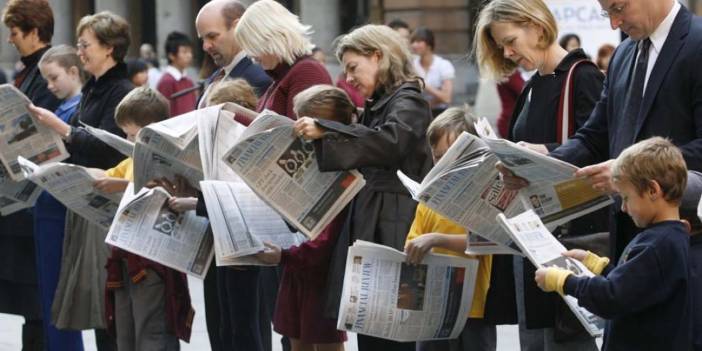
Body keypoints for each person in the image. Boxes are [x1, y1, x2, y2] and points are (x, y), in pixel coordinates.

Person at [502, 0, 702, 263]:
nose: (614, 23)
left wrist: (628, 171)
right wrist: (542, 160)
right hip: (627, 235)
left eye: (618, 8)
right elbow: (594, 136)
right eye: (607, 13)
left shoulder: (697, 44)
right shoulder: (623, 54)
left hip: (685, 240)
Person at [293, 24, 433, 351]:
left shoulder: (409, 100)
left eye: (353, 67)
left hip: (394, 222)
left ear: (378, 56)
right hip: (376, 217)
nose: (349, 78)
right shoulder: (385, 101)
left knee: (390, 330)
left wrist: (326, 129)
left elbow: (389, 142)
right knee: (371, 329)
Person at [475, 0, 606, 348]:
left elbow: (599, 149)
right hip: (533, 235)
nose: (507, 51)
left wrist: (542, 152)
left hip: (569, 239)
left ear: (535, 25)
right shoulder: (534, 85)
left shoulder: (583, 76)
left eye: (510, 40)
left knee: (565, 340)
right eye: (501, 45)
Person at [30, 11, 134, 351]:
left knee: (109, 306)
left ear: (108, 48)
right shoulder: (94, 87)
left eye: (86, 44)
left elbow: (109, 148)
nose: (81, 50)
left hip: (108, 206)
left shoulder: (120, 89)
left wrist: (62, 129)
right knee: (94, 304)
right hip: (86, 205)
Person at [235, 2, 333, 350]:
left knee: (307, 327)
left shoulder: (306, 74)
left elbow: (305, 143)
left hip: (301, 213)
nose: (253, 58)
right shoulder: (281, 79)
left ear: (272, 38)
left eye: (255, 47)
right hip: (282, 211)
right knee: (289, 324)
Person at [535, 137, 692, 350]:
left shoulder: (656, 245)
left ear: (653, 190)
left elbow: (612, 298)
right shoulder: (667, 238)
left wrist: (563, 281)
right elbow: (634, 287)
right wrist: (598, 266)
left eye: (626, 198)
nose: (624, 208)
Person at [92, 87, 194, 351]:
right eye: (125, 134)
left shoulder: (170, 159)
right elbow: (105, 176)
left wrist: (120, 186)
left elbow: (163, 191)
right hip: (124, 254)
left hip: (152, 262)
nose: (128, 140)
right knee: (125, 330)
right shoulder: (131, 159)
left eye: (134, 135)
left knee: (152, 330)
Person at [194, 1, 272, 349]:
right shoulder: (214, 78)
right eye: (202, 39)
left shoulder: (258, 79)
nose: (207, 46)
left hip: (243, 216)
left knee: (245, 325)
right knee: (221, 322)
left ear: (238, 26)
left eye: (213, 36)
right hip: (214, 212)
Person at [256, 85, 356, 351]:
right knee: (295, 340)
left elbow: (326, 242)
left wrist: (285, 255)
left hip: (319, 272)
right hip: (297, 269)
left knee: (325, 341)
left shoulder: (345, 170)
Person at [403, 105, 495, 351]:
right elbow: (412, 243)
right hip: (432, 308)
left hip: (474, 309)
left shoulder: (485, 194)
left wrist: (436, 240)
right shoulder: (428, 198)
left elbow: (487, 242)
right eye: (437, 156)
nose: (442, 164)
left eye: (451, 154)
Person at [0, 1, 60, 349]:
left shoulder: (46, 72)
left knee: (38, 304)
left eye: (15, 32)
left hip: (38, 205)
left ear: (34, 31)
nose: (9, 39)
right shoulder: (27, 71)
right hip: (19, 204)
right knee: (29, 306)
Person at [33, 44, 87, 351]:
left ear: (73, 72)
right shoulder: (58, 109)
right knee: (49, 293)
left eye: (54, 78)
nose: (50, 86)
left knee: (60, 294)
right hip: (46, 207)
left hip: (61, 210)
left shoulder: (78, 110)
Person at [410, 27, 455, 116]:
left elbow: (447, 98)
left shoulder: (443, 65)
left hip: (439, 114)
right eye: (412, 42)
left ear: (429, 44)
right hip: (416, 114)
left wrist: (423, 84)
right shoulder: (411, 65)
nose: (414, 45)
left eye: (418, 42)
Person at [157, 31, 197, 117]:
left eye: (190, 52)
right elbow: (162, 115)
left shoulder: (188, 81)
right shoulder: (166, 82)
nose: (189, 55)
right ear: (171, 55)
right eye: (185, 52)